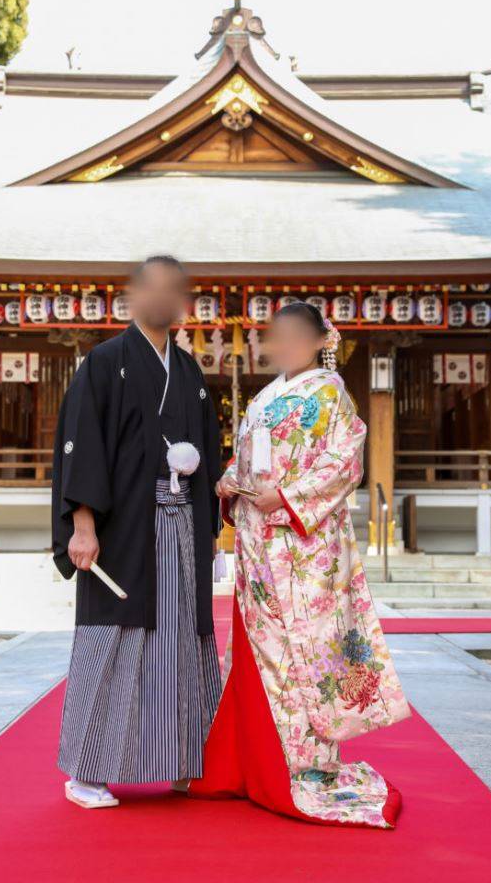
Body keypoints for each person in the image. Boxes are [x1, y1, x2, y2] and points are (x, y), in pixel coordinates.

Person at [189, 302, 410, 827]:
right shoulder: (268, 395)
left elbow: (343, 464)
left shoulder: (331, 394)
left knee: (305, 650)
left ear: (318, 342)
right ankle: (249, 764)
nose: (280, 345)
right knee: (257, 650)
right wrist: (230, 482)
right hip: (258, 543)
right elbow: (249, 460)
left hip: (306, 552)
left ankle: (302, 767)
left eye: (292, 336)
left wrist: (287, 497)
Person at [51, 255, 222, 809]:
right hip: (125, 526)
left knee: (180, 640)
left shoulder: (190, 371)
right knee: (117, 636)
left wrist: (214, 529)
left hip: (182, 525)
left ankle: (182, 760)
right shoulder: (105, 362)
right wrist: (82, 525)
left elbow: (211, 454)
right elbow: (82, 443)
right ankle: (87, 772)